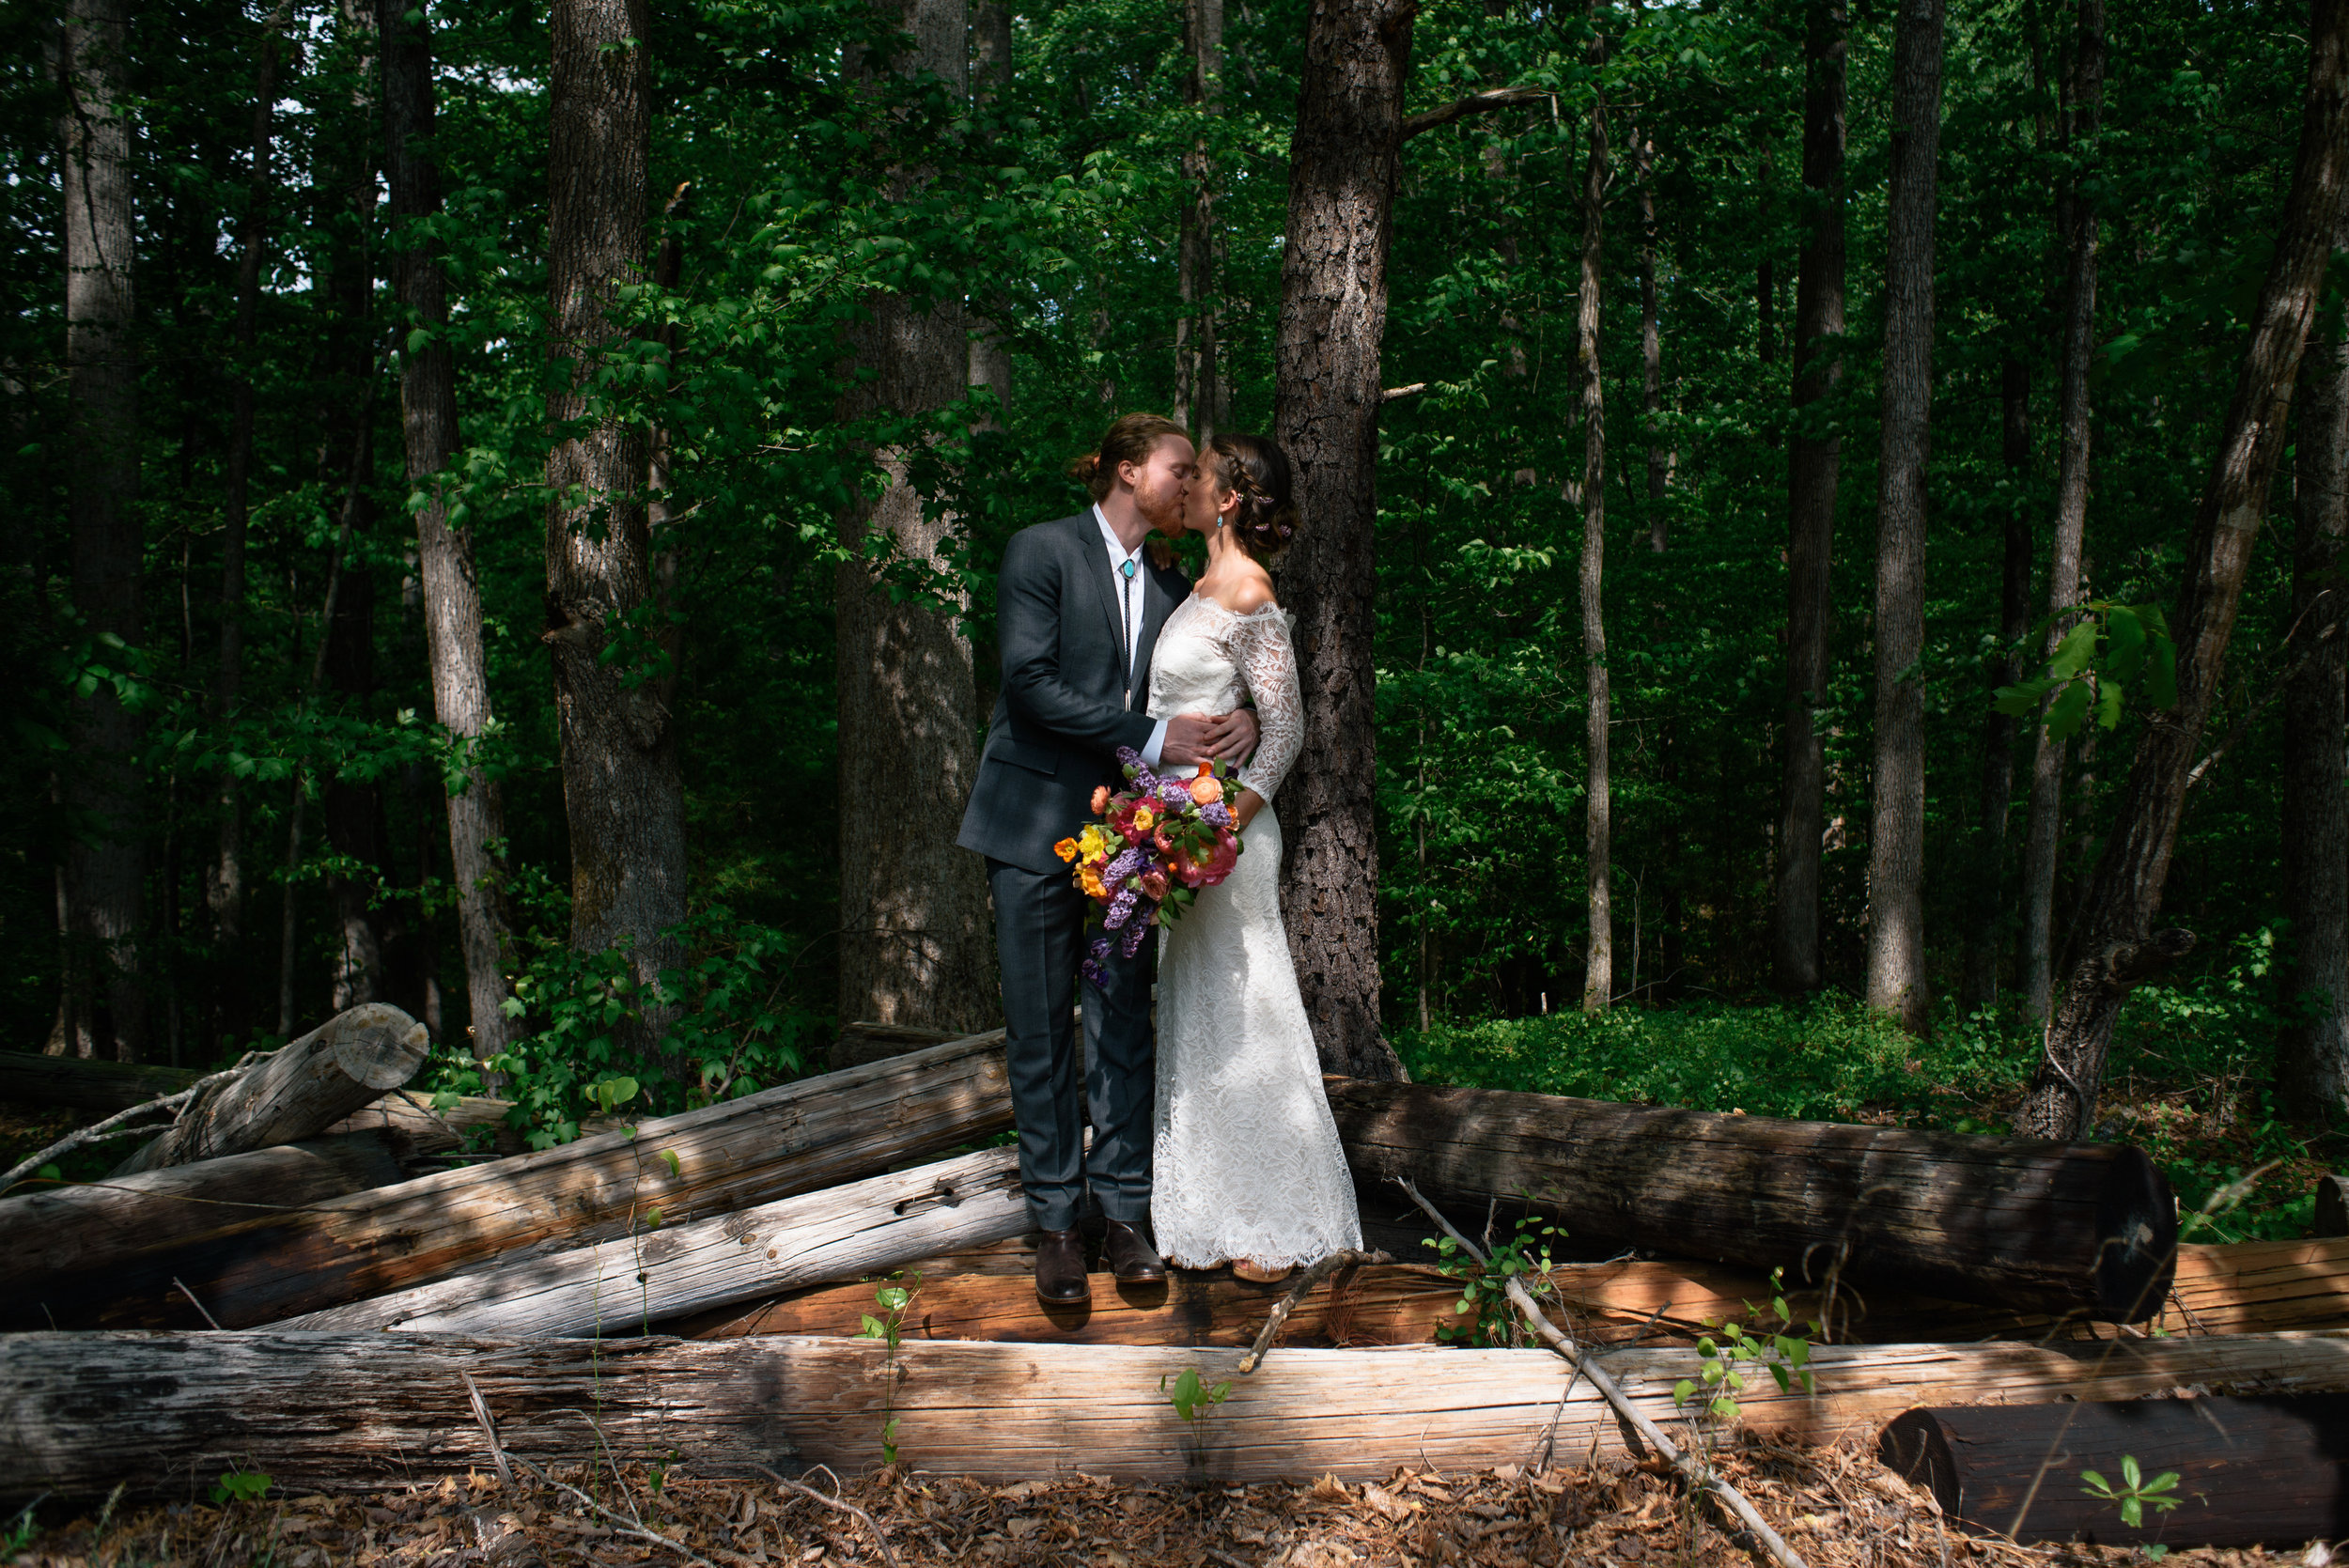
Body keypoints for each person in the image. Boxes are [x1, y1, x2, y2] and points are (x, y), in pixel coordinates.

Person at [956, 413, 1260, 1306]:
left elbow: (1209, 678)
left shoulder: (1173, 588)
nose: (1188, 483)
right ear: (1130, 471)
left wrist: (1242, 722)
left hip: (1135, 838)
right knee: (1043, 1028)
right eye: (1177, 469)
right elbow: (1030, 683)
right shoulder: (1040, 551)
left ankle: (1124, 1212)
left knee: (1123, 1017)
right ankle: (1053, 1222)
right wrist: (1153, 735)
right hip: (1030, 823)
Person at [1144, 432, 1362, 1281]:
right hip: (1174, 830)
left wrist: (1220, 827)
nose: (1190, 485)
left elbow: (1286, 733)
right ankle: (1202, 1210)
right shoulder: (1195, 585)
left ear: (1231, 496)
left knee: (1247, 1011)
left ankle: (1277, 1219)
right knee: (1196, 1010)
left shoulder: (1250, 591)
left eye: (1201, 475)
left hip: (1226, 840)